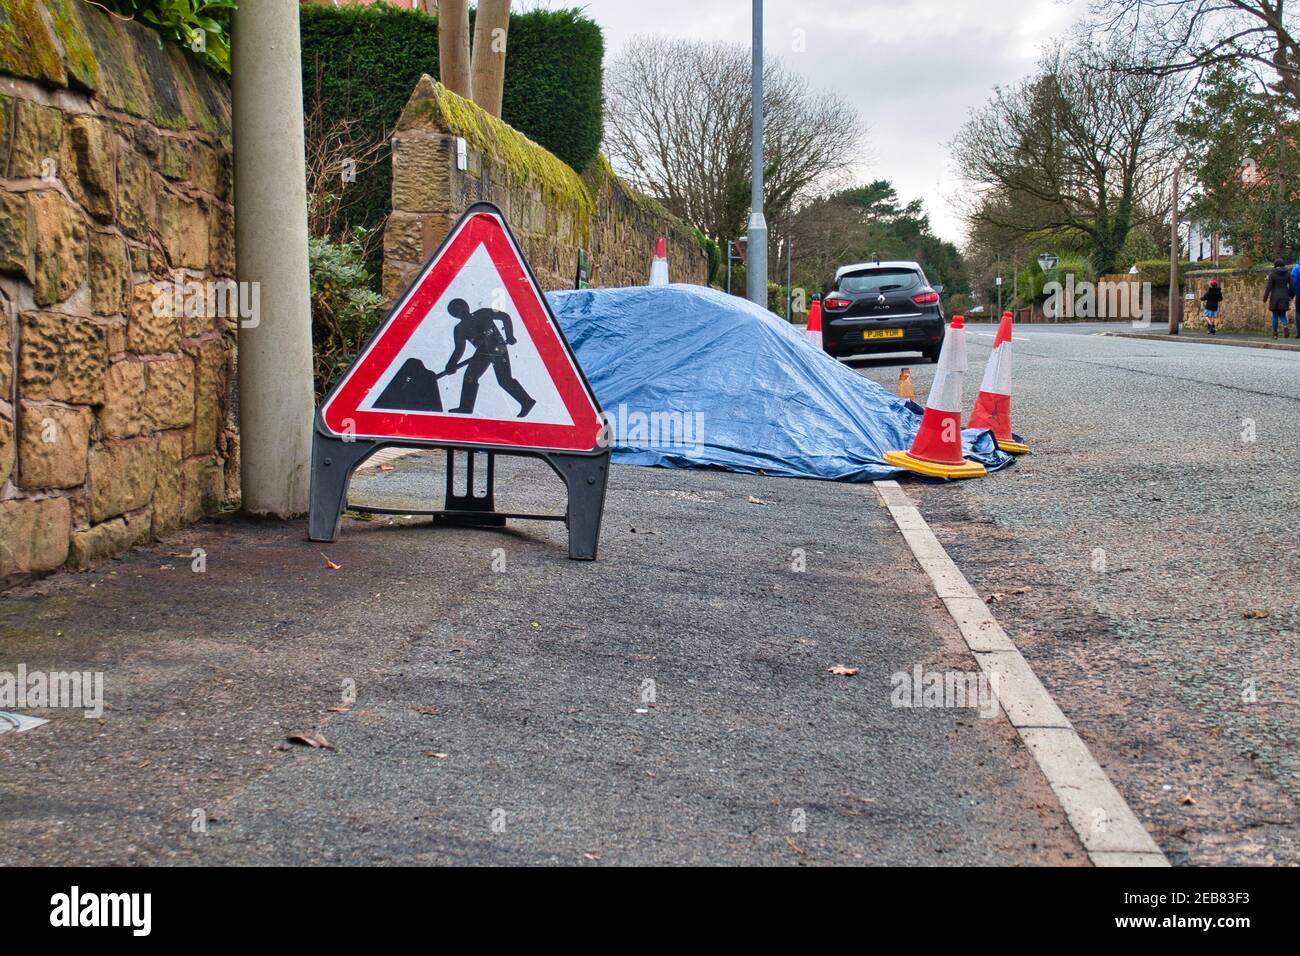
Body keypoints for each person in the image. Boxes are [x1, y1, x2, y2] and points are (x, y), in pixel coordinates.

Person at [443, 298, 536, 417]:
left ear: (465, 306)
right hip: (482, 352)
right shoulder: (459, 328)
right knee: (469, 377)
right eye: (455, 310)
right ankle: (465, 407)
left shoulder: (482, 312)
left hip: (497, 347)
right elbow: (459, 349)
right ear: (454, 315)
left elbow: (505, 317)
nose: (459, 311)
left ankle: (526, 401)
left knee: (504, 380)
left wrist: (510, 335)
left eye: (459, 307)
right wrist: (451, 364)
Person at [1264, 258, 1294, 339]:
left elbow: (1268, 287)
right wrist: (1291, 295)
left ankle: (1275, 334)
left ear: (1275, 265)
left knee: (1275, 315)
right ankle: (1285, 327)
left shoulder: (1272, 274)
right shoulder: (1288, 274)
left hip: (1275, 297)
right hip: (1284, 296)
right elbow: (1292, 286)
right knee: (1283, 314)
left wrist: (1265, 298)